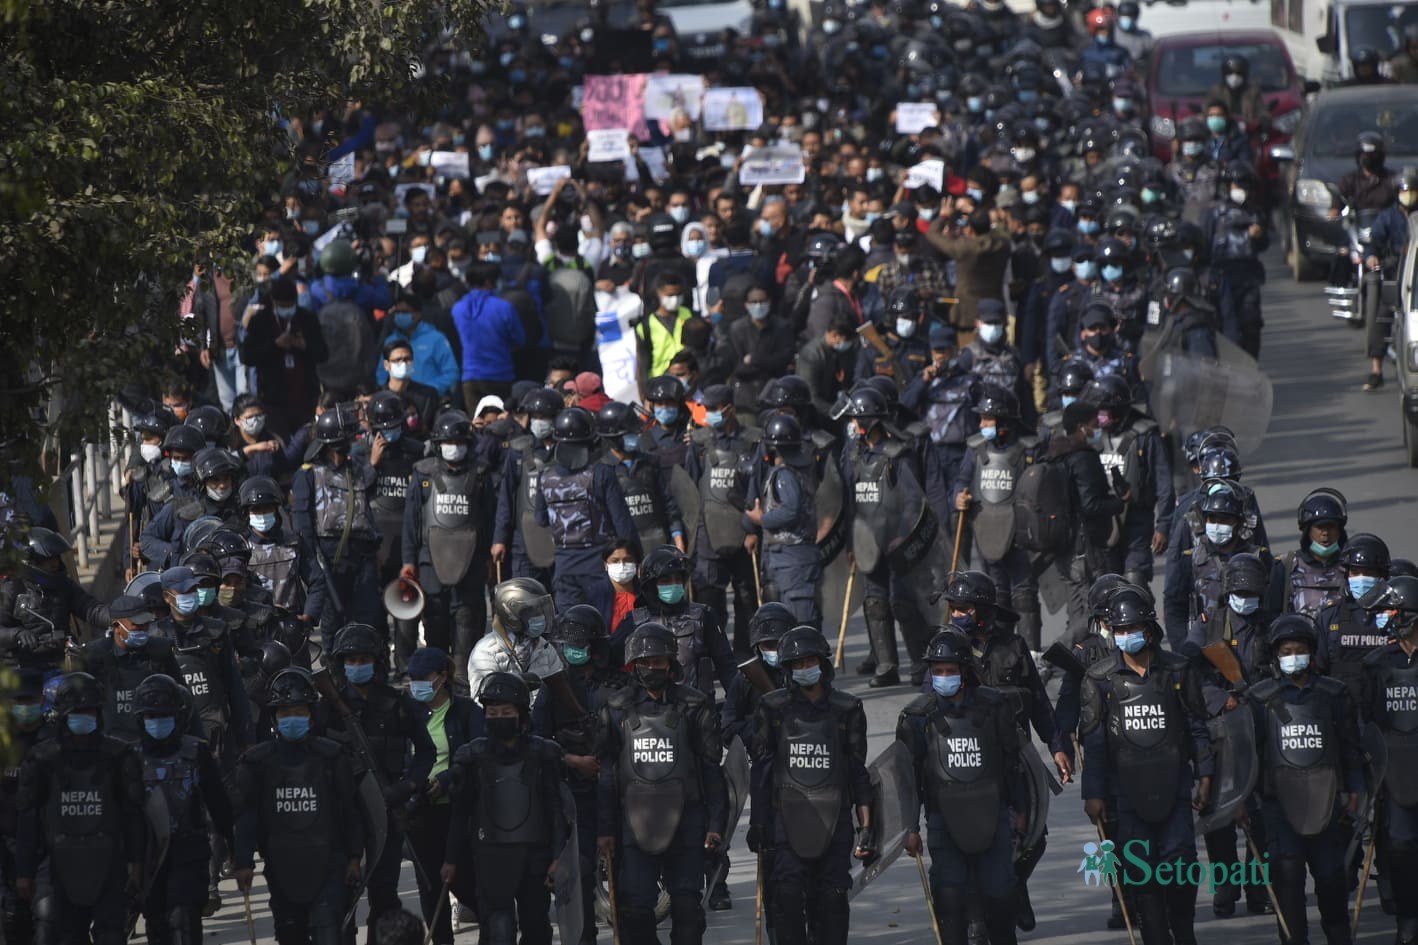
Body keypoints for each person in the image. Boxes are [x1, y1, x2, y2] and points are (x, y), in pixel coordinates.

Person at [1079, 587, 1212, 945]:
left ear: (1150, 630)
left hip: (1175, 784)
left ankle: (1183, 927)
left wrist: (1206, 775)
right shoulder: (1099, 679)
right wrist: (1093, 794)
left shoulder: (1178, 672)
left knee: (1181, 862)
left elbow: (1198, 727)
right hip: (1127, 792)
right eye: (1120, 630)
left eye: (1134, 628)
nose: (1127, 636)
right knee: (1142, 872)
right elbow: (1093, 743)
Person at [945, 569, 1071, 928]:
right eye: (952, 607)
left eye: (963, 608)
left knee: (1034, 839)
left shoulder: (1013, 647)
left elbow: (1038, 703)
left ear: (982, 611)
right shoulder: (946, 649)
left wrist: (1057, 745)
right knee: (975, 842)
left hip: (1017, 765)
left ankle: (1013, 887)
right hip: (969, 766)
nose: (956, 614)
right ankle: (980, 922)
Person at [597, 623, 728, 945]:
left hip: (687, 820)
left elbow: (711, 768)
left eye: (658, 661)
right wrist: (605, 830)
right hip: (633, 822)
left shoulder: (694, 705)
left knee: (687, 910)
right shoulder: (615, 708)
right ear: (633, 665)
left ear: (671, 663)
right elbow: (606, 773)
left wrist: (716, 823)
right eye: (644, 662)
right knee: (634, 911)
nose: (652, 668)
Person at [898, 628, 1025, 945]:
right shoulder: (916, 717)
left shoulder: (994, 707)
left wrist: (1021, 809)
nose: (944, 677)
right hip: (944, 820)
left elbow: (1013, 763)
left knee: (999, 895)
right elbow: (908, 780)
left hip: (992, 816)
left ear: (964, 672)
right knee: (950, 897)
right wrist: (909, 827)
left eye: (950, 671)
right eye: (937, 671)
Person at [749, 627, 872, 945]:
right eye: (797, 664)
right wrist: (758, 823)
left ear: (823, 663)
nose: (805, 669)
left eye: (810, 661)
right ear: (788, 670)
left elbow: (858, 773)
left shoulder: (847, 709)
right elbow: (761, 772)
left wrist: (866, 826)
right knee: (787, 897)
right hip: (786, 821)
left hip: (835, 819)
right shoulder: (773, 709)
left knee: (831, 900)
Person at [1247, 615, 1364, 945]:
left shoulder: (1333, 694)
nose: (1292, 656)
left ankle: (1339, 935)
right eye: (1286, 650)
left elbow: (1350, 748)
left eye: (1299, 649)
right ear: (1275, 654)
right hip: (1279, 806)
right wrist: (1243, 801)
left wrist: (1354, 788)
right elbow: (1248, 754)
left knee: (1330, 877)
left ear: (1311, 654)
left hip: (1326, 802)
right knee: (1287, 876)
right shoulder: (1260, 698)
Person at [315, 622, 436, 940]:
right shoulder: (328, 708)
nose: (357, 666)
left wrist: (407, 787)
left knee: (384, 898)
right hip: (342, 817)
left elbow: (426, 752)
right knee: (342, 901)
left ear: (378, 661)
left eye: (364, 660)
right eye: (350, 661)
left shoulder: (397, 704)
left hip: (386, 812)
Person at [233, 668, 364, 945]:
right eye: (285, 712)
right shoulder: (258, 763)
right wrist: (243, 861)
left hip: (329, 862)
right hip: (282, 865)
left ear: (311, 714)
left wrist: (354, 855)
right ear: (274, 717)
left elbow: (349, 810)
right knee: (289, 934)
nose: (292, 718)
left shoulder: (332, 757)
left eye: (299, 711)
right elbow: (247, 815)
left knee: (329, 932)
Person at [15, 672, 146, 945]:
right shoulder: (41, 759)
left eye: (89, 711)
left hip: (109, 863)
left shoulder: (119, 756)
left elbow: (133, 814)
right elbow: (27, 819)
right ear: (62, 714)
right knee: (61, 934)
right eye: (77, 712)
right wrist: (25, 872)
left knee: (111, 935)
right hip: (58, 866)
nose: (83, 717)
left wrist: (136, 862)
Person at [441, 671, 570, 945]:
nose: (498, 717)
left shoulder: (543, 754)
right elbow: (460, 812)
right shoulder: (472, 756)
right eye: (492, 712)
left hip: (536, 858)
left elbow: (556, 811)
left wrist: (559, 857)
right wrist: (451, 859)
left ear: (521, 714)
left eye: (506, 711)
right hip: (491, 858)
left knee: (536, 929)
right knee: (497, 931)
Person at [1188, 553, 1277, 919]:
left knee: (1262, 814)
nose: (1246, 597)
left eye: (1252, 591)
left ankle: (1260, 888)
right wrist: (1219, 699)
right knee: (1220, 814)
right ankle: (1226, 887)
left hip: (1263, 726)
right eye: (1240, 591)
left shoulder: (1271, 626)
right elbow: (1190, 675)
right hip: (1221, 731)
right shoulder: (1207, 627)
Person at [539, 606, 628, 928]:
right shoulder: (554, 688)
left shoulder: (620, 685)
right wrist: (572, 760)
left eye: (580, 644)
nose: (573, 650)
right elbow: (537, 741)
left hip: (618, 792)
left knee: (625, 874)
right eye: (568, 645)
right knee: (582, 872)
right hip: (574, 795)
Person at [134, 673, 234, 945]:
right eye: (151, 717)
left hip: (188, 854)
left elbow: (218, 802)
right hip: (149, 859)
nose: (158, 723)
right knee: (158, 927)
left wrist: (236, 848)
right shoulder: (130, 759)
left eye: (164, 716)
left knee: (185, 925)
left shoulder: (196, 752)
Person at [401, 409, 490, 692]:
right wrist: (408, 561)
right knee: (435, 622)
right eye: (448, 442)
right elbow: (411, 521)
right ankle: (436, 683)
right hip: (430, 563)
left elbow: (490, 517)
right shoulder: (423, 474)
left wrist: (488, 557)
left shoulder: (481, 475)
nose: (454, 447)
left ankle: (464, 684)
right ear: (438, 444)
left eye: (460, 441)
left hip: (471, 563)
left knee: (467, 620)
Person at [952, 385, 1045, 654]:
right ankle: (1001, 653)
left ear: (1004, 421)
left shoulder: (1029, 449)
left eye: (987, 419)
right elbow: (961, 479)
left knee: (1024, 594)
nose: (982, 425)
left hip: (1019, 532)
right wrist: (958, 496)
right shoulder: (976, 449)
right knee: (996, 595)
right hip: (986, 530)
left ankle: (1032, 654)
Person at [1356, 575, 1418, 945]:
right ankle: (1408, 919)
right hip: (1394, 773)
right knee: (1399, 844)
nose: (1384, 619)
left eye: (1390, 611)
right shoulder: (1376, 664)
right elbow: (1366, 720)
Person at [534, 406, 638, 610]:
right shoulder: (602, 473)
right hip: (600, 569)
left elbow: (541, 519)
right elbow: (623, 525)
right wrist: (636, 559)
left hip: (564, 570)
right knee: (607, 631)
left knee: (571, 632)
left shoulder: (545, 477)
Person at [291, 404, 383, 634]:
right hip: (330, 554)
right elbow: (303, 520)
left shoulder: (356, 468)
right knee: (334, 619)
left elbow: (366, 494)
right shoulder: (309, 473)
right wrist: (312, 558)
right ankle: (335, 666)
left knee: (369, 615)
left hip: (361, 554)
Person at [686, 384, 762, 655]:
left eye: (715, 410)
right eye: (707, 410)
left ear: (729, 409)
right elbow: (690, 490)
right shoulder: (698, 443)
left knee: (747, 599)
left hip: (743, 534)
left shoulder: (754, 441)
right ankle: (716, 655)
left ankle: (745, 655)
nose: (710, 415)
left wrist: (753, 530)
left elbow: (758, 488)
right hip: (708, 536)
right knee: (709, 601)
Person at [1085, 374, 1174, 588]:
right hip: (1103, 522)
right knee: (1107, 586)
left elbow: (1164, 484)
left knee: (1136, 580)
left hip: (1137, 521)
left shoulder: (1146, 436)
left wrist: (1163, 526)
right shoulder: (1091, 437)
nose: (1099, 417)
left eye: (1103, 411)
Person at [1162, 486, 1270, 650]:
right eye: (1212, 519)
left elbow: (1272, 605)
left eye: (1225, 520)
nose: (1218, 525)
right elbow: (1174, 606)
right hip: (1204, 646)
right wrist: (1183, 648)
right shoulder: (1191, 559)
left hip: (1250, 644)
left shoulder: (1258, 557)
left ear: (1238, 522)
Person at [744, 413, 824, 628]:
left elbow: (791, 509)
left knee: (798, 624)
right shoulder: (802, 469)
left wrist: (762, 519)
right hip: (790, 557)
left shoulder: (785, 475)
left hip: (792, 558)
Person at [630, 546, 736, 700]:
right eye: (665, 580)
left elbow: (726, 665)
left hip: (697, 708)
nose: (673, 584)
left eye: (677, 580)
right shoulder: (634, 621)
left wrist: (735, 707)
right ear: (651, 585)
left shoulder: (702, 616)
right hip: (649, 712)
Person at [0, 527, 109, 672]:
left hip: (61, 661)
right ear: (30, 562)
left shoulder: (64, 585)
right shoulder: (11, 589)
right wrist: (17, 634)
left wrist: (118, 616)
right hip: (22, 669)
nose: (55, 564)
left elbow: (91, 608)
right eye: (48, 560)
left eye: (56, 558)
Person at [79, 594, 182, 743]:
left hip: (155, 739)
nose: (143, 629)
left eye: (145, 624)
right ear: (116, 626)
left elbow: (181, 696)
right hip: (113, 743)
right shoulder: (95, 656)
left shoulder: (160, 651)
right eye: (136, 625)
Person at [490, 386, 562, 589]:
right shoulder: (518, 451)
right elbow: (506, 499)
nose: (539, 421)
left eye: (544, 416)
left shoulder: (569, 450)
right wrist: (499, 539)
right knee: (529, 600)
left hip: (561, 539)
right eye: (535, 416)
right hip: (523, 540)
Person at [239, 276, 328, 437]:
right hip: (273, 398)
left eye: (290, 305)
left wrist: (304, 345)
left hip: (305, 396)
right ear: (273, 301)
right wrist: (275, 346)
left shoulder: (307, 319)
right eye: (282, 305)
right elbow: (247, 356)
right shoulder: (260, 321)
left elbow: (323, 353)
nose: (287, 309)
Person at [239, 475, 327, 623]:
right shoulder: (240, 547)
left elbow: (317, 580)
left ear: (276, 509)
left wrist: (309, 615)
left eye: (267, 508)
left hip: (292, 624)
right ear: (247, 513)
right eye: (256, 509)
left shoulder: (294, 542)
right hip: (253, 628)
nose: (262, 514)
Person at [1203, 161, 1269, 358]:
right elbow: (1205, 245)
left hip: (1247, 278)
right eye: (1237, 185)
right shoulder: (1214, 213)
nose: (1241, 190)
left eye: (1244, 186)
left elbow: (1263, 244)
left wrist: (1259, 235)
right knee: (1223, 325)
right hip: (1221, 278)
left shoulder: (1255, 212)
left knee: (1251, 324)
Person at [1315, 532, 1392, 690]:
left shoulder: (1396, 615)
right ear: (1347, 575)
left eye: (1369, 573)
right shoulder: (1330, 615)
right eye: (1355, 573)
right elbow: (1317, 671)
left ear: (1382, 575)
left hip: (1384, 707)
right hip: (1342, 708)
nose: (1361, 578)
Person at [467, 578, 565, 698]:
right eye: (532, 612)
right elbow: (483, 703)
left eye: (540, 610)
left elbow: (561, 693)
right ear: (511, 615)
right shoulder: (486, 652)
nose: (540, 616)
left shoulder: (545, 649)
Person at [925, 209, 1011, 333]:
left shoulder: (964, 248)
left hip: (966, 314)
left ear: (970, 229)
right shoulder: (1003, 245)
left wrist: (943, 217)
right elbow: (998, 234)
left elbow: (932, 234)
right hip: (994, 308)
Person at [453, 261, 526, 409]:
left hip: (471, 376)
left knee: (476, 423)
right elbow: (520, 339)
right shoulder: (504, 307)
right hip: (500, 374)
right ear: (489, 281)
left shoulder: (458, 308)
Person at [374, 295, 459, 399]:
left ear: (417, 314)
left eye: (404, 312)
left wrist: (429, 390)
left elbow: (451, 372)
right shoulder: (391, 340)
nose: (399, 316)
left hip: (428, 399)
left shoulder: (436, 339)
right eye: (397, 312)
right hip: (396, 399)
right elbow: (382, 373)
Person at [1283, 488, 1349, 618]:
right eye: (1320, 527)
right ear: (1307, 530)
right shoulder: (1287, 566)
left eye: (1331, 527)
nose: (1325, 533)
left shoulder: (1351, 567)